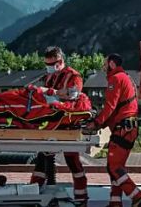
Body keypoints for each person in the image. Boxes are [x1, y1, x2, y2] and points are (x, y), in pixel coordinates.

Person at [83, 53, 141, 207]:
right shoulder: (126, 78)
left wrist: (96, 123)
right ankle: (115, 203)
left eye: (105, 63)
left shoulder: (116, 79)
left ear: (112, 64)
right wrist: (100, 123)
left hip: (122, 128)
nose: (103, 66)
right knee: (116, 168)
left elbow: (110, 107)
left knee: (113, 167)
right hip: (129, 128)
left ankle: (138, 197)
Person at [28, 46, 89, 206]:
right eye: (46, 64)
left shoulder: (73, 76)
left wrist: (50, 92)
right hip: (51, 124)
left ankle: (82, 199)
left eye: (51, 64)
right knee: (42, 159)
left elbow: (73, 95)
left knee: (72, 162)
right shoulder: (50, 77)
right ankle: (35, 194)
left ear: (60, 62)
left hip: (68, 125)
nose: (48, 67)